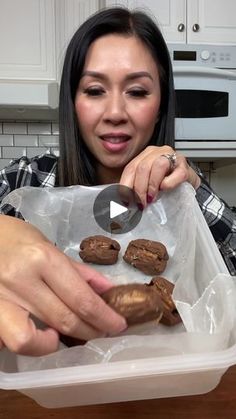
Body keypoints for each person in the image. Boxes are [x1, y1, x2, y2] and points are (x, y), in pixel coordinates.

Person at [0, 7, 235, 356]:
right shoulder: (29, 179)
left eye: (137, 92)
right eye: (94, 90)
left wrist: (192, 185)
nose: (114, 112)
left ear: (160, 105)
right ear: (73, 101)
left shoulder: (184, 191)